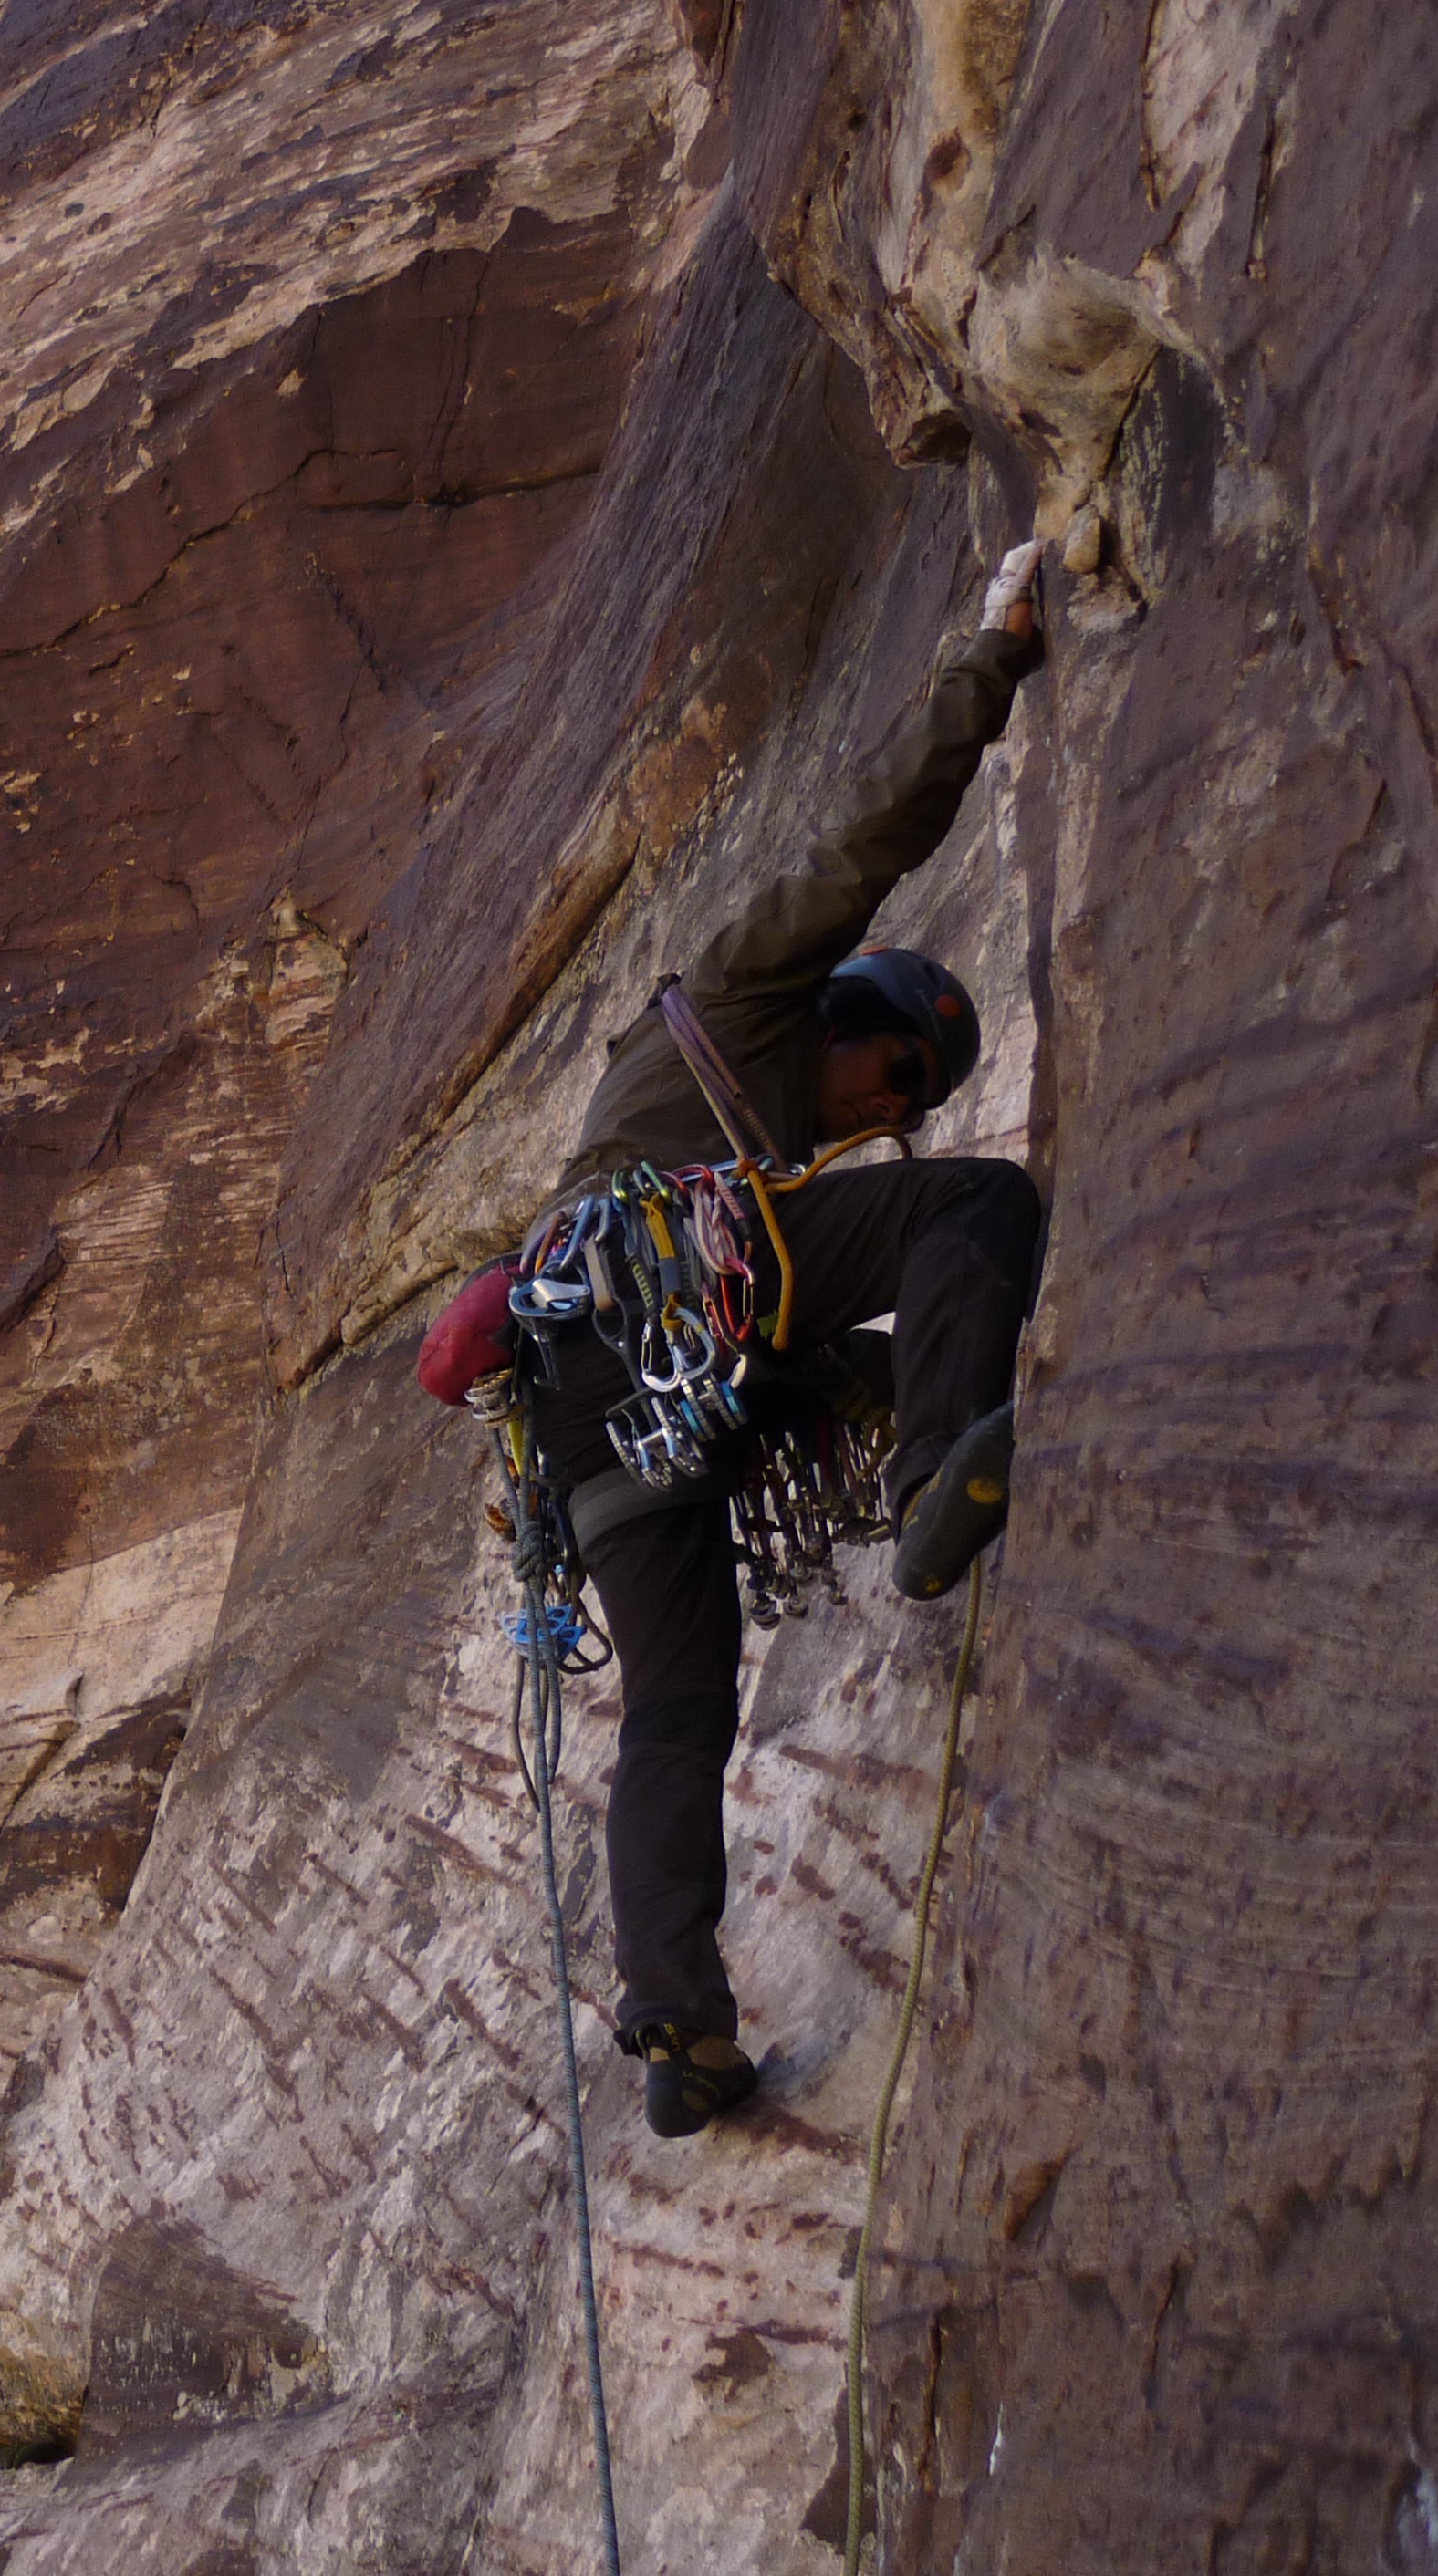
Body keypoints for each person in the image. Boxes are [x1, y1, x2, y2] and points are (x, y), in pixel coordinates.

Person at [526, 535, 1054, 2139]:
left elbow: (807, 1361)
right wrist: (996, 656)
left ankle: (677, 2025)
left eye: (906, 1110)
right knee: (977, 1212)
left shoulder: (746, 1136)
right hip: (662, 1296)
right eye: (896, 1084)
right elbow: (862, 842)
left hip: (598, 1419)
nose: (883, 1119)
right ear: (856, 1024)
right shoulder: (747, 1000)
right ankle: (929, 1494)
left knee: (679, 1713)